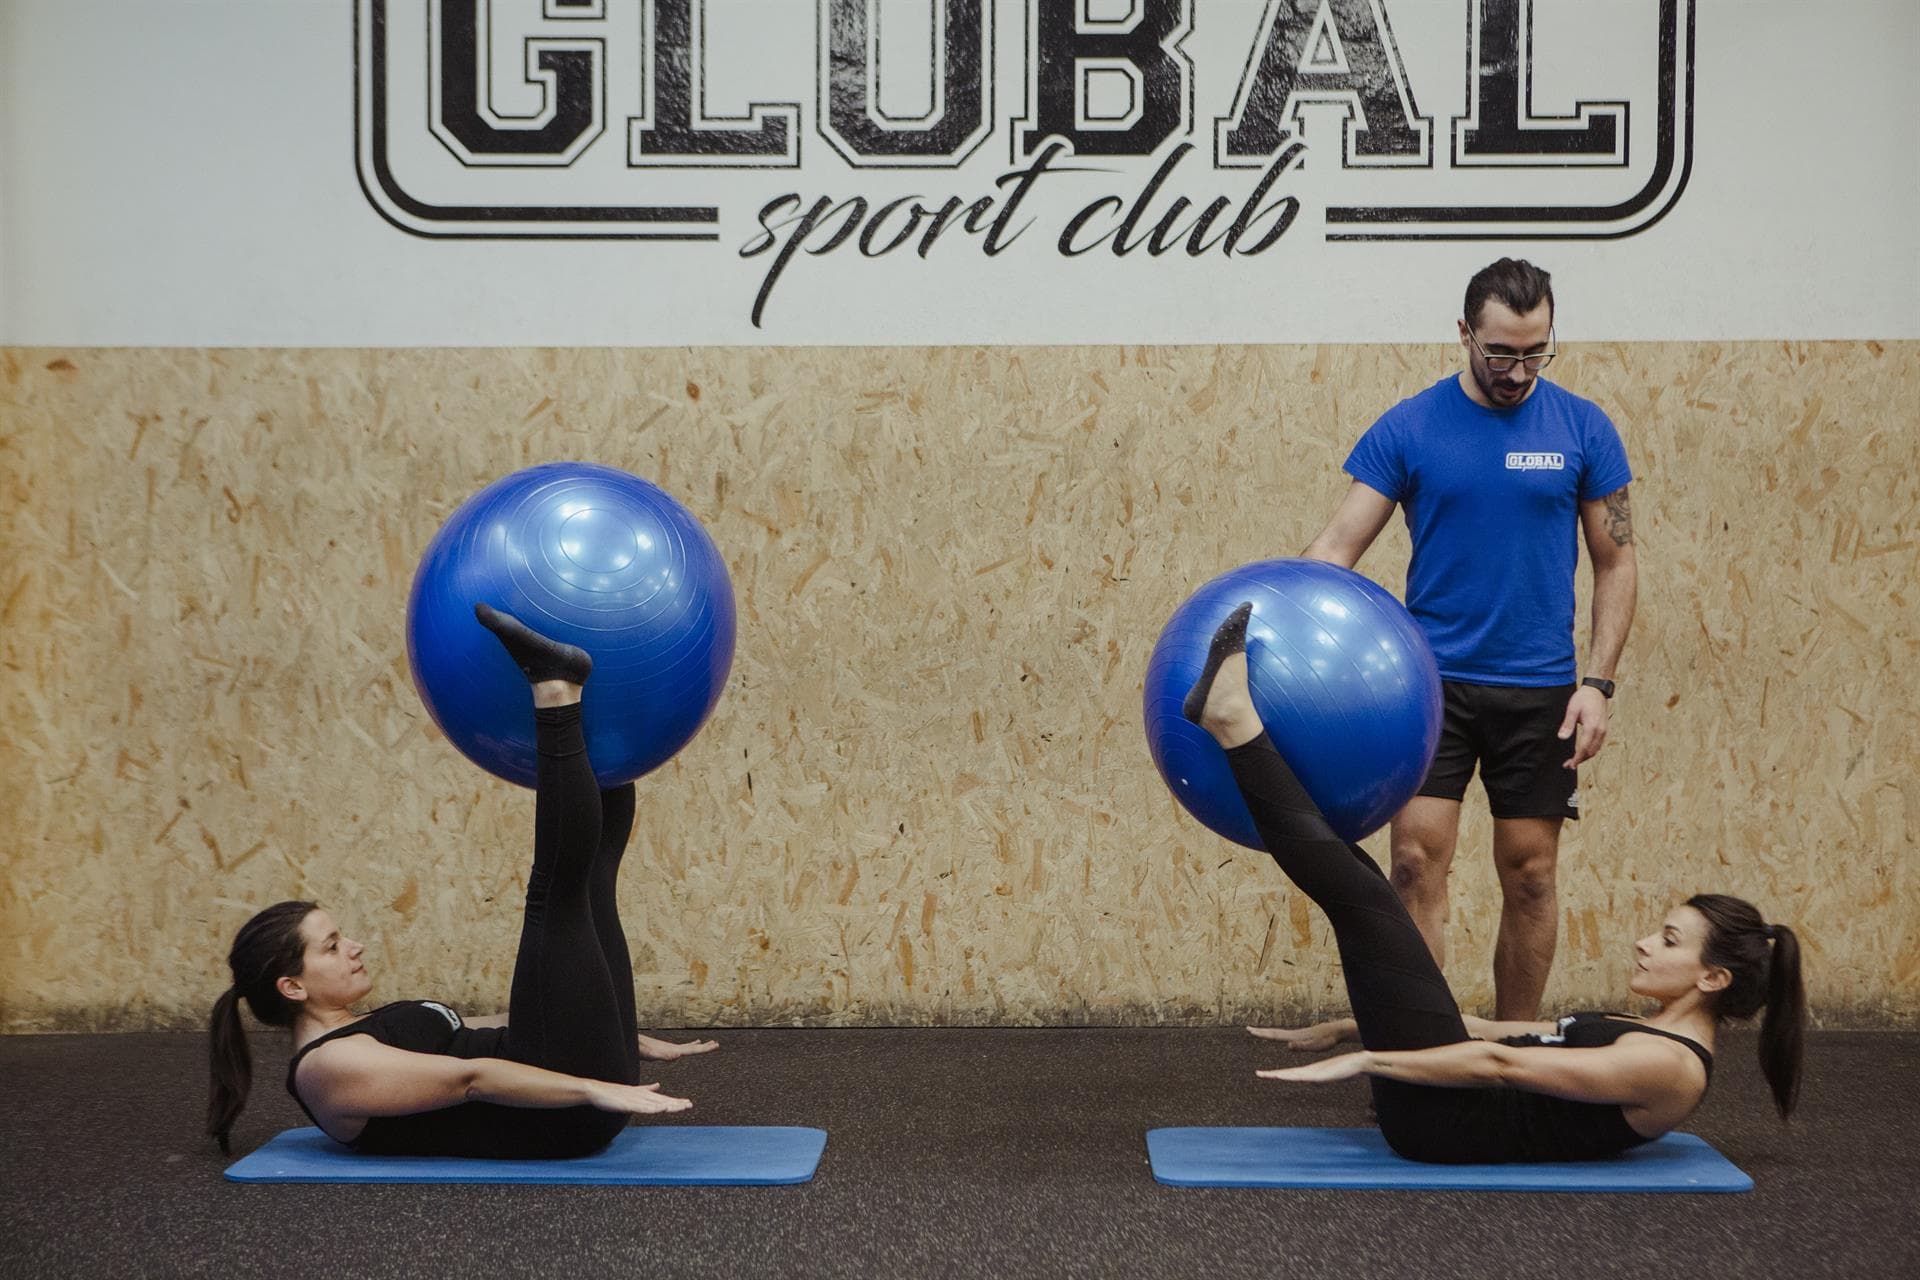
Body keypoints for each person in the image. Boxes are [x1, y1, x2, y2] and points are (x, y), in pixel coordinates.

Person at [1186, 604, 1803, 1163]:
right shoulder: (1650, 1032)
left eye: (1670, 941)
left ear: (1713, 977)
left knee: (1363, 900)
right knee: (1363, 886)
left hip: (1443, 1125)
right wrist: (1353, 1027)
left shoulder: (1669, 1067)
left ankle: (1234, 721)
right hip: (1443, 1110)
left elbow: (1502, 1065)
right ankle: (1239, 730)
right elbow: (1495, 1033)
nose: (1645, 943)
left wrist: (1368, 1060)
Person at [207, 604, 716, 1158]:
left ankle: (611, 719)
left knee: (593, 882)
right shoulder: (327, 1067)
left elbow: (501, 1025)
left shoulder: (364, 1027)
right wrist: (592, 1082)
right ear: (293, 987)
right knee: (554, 895)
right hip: (562, 1114)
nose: (353, 947)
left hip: (566, 1076)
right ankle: (555, 689)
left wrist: (614, 1034)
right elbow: (469, 1078)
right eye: (331, 946)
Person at [1300, 258, 1638, 1020]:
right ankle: (1425, 1055)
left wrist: (1598, 683)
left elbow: (1616, 563)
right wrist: (1281, 625)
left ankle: (1516, 1059)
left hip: (1542, 691)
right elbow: (1334, 551)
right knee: (1416, 866)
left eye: (1534, 352)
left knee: (1531, 874)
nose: (1518, 371)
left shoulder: (1584, 429)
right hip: (1429, 688)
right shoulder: (1410, 426)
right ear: (1463, 334)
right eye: (1500, 353)